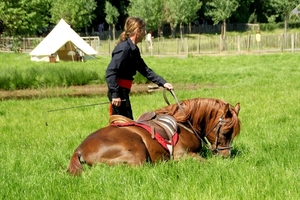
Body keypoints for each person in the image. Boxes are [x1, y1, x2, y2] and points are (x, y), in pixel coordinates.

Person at [105, 17, 173, 120]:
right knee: (124, 128)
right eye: (144, 30)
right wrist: (115, 94)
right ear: (138, 31)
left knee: (128, 126)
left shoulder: (133, 49)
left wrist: (163, 83)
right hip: (119, 93)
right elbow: (111, 71)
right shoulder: (124, 48)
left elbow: (145, 70)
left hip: (123, 92)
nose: (145, 33)